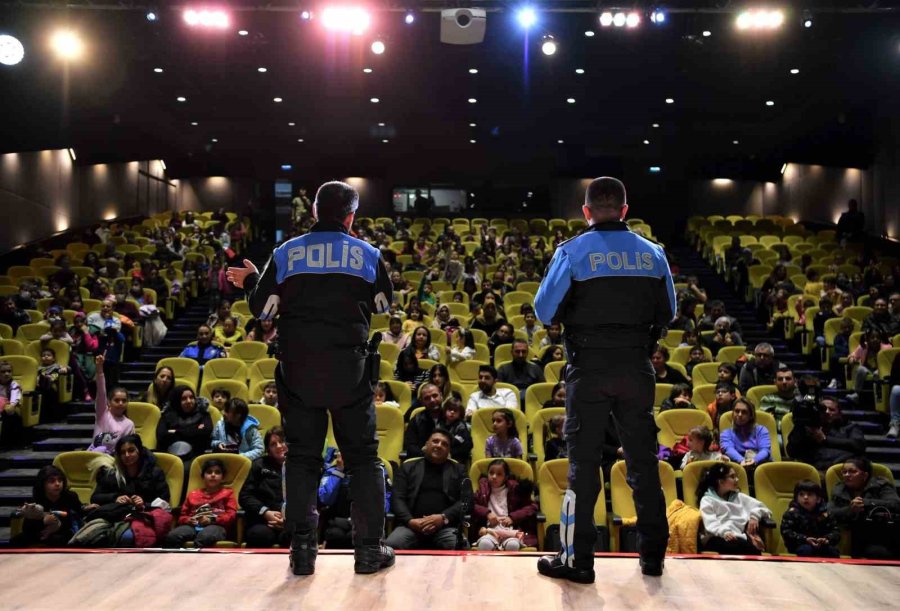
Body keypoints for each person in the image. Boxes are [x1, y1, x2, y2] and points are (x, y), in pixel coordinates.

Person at [226, 181, 395, 575]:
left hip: (298, 371)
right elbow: (384, 303)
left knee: (302, 459)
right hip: (350, 372)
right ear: (351, 216)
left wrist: (252, 280)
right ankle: (369, 552)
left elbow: (263, 310)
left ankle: (302, 553)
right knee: (363, 460)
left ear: (315, 211)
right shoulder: (367, 253)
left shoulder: (286, 251)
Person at [533, 176, 675, 581]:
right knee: (643, 464)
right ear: (625, 211)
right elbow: (668, 312)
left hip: (589, 369)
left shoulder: (572, 252)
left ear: (586, 211)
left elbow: (545, 312)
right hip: (636, 367)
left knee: (582, 465)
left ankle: (578, 560)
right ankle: (652, 558)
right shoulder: (654, 254)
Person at [385, 429, 467, 550]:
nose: (439, 445)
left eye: (444, 444)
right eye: (435, 441)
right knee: (391, 545)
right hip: (410, 527)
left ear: (449, 451)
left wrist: (443, 518)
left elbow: (467, 500)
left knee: (460, 545)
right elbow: (397, 498)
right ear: (426, 444)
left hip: (445, 528)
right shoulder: (408, 467)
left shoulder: (459, 470)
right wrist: (410, 521)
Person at [318, 447, 392, 549]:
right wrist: (339, 471)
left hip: (367, 523)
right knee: (335, 535)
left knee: (361, 538)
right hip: (338, 523)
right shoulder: (333, 470)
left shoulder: (378, 471)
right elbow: (325, 499)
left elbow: (384, 505)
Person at [828, 457, 900, 559]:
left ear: (865, 475)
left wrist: (866, 503)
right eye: (844, 472)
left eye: (852, 472)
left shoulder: (881, 484)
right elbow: (830, 512)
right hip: (859, 535)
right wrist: (851, 509)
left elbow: (895, 504)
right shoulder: (839, 489)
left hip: (885, 530)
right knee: (876, 553)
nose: (847, 475)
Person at [697, 463, 771, 555]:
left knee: (750, 549)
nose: (737, 479)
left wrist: (755, 516)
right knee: (747, 550)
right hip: (716, 537)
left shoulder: (739, 497)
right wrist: (724, 532)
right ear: (720, 481)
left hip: (738, 537)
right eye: (732, 477)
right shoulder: (707, 500)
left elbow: (763, 508)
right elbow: (710, 522)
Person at [164, 458, 237, 548]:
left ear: (223, 477)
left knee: (205, 537)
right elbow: (182, 516)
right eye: (209, 472)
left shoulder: (228, 493)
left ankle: (194, 561)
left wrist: (212, 520)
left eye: (217, 472)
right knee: (173, 536)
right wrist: (188, 520)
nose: (213, 475)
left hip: (216, 526)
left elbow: (231, 515)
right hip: (192, 526)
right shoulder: (193, 494)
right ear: (203, 476)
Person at [12, 465, 86, 547]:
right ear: (43, 484)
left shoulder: (70, 496)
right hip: (41, 532)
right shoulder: (37, 499)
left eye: (60, 480)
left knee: (57, 539)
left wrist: (56, 525)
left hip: (65, 531)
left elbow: (75, 519)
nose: (57, 484)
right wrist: (43, 521)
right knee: (16, 540)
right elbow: (27, 527)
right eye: (52, 481)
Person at [472, 459, 538, 551]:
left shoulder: (515, 489)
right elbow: (472, 505)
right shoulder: (483, 488)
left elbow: (532, 507)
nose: (494, 477)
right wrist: (487, 514)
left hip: (510, 531)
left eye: (499, 474)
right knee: (485, 544)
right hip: (489, 530)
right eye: (491, 473)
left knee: (512, 545)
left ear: (506, 477)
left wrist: (513, 518)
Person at [241, 426, 290, 548]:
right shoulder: (259, 465)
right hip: (264, 520)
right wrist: (265, 512)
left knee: (295, 536)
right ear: (268, 449)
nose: (279, 446)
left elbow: (309, 498)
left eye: (282, 441)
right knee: (259, 535)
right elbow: (245, 496)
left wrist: (289, 520)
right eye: (273, 444)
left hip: (292, 521)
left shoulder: (301, 467)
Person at [787, 396, 865, 473]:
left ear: (839, 413)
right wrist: (799, 427)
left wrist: (824, 439)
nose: (827, 412)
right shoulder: (809, 428)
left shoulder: (850, 427)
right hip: (813, 471)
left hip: (841, 471)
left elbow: (858, 445)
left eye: (832, 410)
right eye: (823, 409)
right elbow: (792, 452)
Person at [87, 355, 135, 455]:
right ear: (109, 402)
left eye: (124, 400)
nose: (120, 403)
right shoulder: (103, 414)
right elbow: (101, 392)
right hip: (94, 456)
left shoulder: (129, 424)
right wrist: (99, 370)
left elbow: (129, 447)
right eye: (117, 400)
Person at [780, 480, 841, 558]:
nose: (805, 497)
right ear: (796, 498)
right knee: (806, 550)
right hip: (800, 545)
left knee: (833, 552)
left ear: (818, 499)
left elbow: (836, 531)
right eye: (801, 494)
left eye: (810, 494)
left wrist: (827, 539)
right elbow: (786, 532)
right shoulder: (791, 513)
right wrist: (805, 539)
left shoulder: (826, 514)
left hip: (823, 545)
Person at [156, 385, 213, 462]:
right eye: (184, 399)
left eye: (191, 397)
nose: (189, 401)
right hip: (170, 456)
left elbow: (206, 432)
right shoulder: (167, 415)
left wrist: (176, 431)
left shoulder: (203, 413)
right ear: (177, 401)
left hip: (197, 456)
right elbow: (161, 436)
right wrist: (195, 430)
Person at [719, 398, 771, 471]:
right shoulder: (726, 433)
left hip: (761, 467)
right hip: (738, 469)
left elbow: (765, 450)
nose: (740, 415)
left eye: (744, 412)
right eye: (737, 411)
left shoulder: (761, 430)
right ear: (733, 413)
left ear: (751, 415)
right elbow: (728, 449)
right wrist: (742, 461)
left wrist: (754, 460)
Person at [403, 383, 444, 458]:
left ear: (441, 396)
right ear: (422, 402)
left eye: (435, 396)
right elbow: (410, 446)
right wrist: (428, 455)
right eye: (427, 398)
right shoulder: (416, 420)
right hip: (423, 462)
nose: (432, 400)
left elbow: (466, 444)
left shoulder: (452, 416)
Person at [442, 395, 473, 463]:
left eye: (455, 410)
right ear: (445, 410)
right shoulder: (440, 423)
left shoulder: (461, 426)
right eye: (450, 409)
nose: (452, 412)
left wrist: (451, 453)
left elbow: (468, 445)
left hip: (457, 458)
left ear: (460, 413)